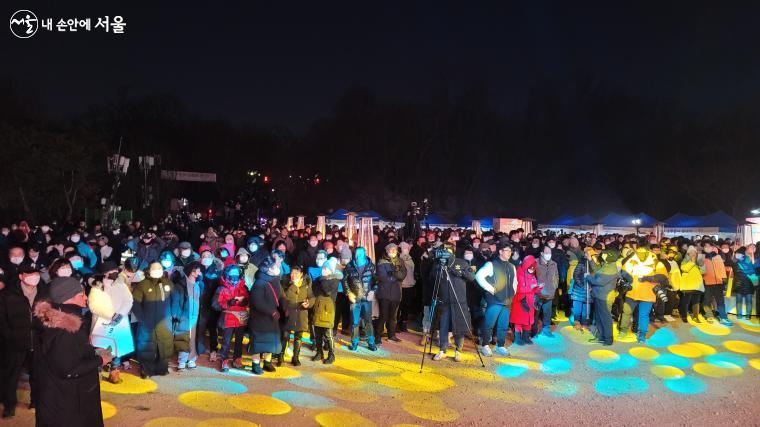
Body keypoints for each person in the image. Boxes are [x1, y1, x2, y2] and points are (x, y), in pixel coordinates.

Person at [33, 277, 112, 427]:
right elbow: (68, 369)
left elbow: (68, 353)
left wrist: (91, 351)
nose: (86, 297)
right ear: (69, 298)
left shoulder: (61, 318)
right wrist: (101, 360)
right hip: (68, 399)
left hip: (60, 394)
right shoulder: (65, 328)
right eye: (82, 295)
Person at [0, 265, 49, 418]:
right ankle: (9, 405)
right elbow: (2, 320)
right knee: (10, 375)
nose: (34, 277)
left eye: (36, 274)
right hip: (14, 342)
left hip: (38, 341)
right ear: (21, 276)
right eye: (29, 274)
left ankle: (36, 401)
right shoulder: (7, 294)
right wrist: (9, 337)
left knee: (38, 374)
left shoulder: (45, 292)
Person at [87, 262, 133, 384]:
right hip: (101, 322)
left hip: (119, 322)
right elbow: (93, 305)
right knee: (100, 349)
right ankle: (97, 374)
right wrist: (110, 315)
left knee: (117, 350)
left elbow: (128, 300)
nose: (114, 273)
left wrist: (120, 314)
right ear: (104, 273)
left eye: (115, 270)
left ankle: (114, 373)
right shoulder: (96, 287)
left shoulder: (120, 284)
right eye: (111, 271)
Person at [131, 262, 177, 377]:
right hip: (147, 322)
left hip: (164, 322)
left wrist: (174, 314)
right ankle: (146, 370)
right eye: (154, 268)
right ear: (149, 270)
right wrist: (141, 317)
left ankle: (162, 368)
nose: (157, 270)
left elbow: (175, 299)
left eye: (159, 268)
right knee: (146, 345)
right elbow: (135, 302)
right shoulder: (142, 285)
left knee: (165, 345)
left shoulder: (168, 283)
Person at [431, 243, 473, 362]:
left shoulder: (462, 262)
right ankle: (442, 350)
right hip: (444, 301)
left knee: (459, 326)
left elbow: (471, 277)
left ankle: (458, 350)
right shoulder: (438, 264)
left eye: (447, 250)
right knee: (443, 326)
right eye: (443, 250)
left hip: (459, 301)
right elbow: (432, 278)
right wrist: (439, 265)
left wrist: (456, 270)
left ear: (453, 251)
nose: (445, 252)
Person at [475, 242, 517, 356]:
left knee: (503, 325)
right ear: (500, 251)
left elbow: (515, 282)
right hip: (495, 300)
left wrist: (513, 292)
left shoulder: (512, 266)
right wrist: (489, 288)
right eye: (507, 251)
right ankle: (485, 345)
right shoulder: (491, 264)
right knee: (489, 323)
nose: (509, 253)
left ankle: (501, 345)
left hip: (507, 301)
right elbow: (478, 276)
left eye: (510, 251)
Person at [620, 246, 668, 343]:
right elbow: (623, 272)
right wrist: (626, 279)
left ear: (648, 252)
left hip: (647, 293)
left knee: (643, 315)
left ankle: (641, 334)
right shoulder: (632, 260)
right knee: (628, 312)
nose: (641, 254)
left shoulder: (656, 262)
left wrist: (648, 278)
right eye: (639, 252)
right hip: (633, 291)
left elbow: (663, 277)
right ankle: (624, 330)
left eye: (643, 252)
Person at [249, 255, 287, 374]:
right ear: (268, 268)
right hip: (260, 318)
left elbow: (281, 295)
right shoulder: (260, 282)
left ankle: (267, 362)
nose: (278, 267)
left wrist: (284, 306)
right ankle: (255, 364)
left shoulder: (275, 280)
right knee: (258, 341)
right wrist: (271, 311)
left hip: (272, 318)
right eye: (275, 266)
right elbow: (256, 301)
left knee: (270, 341)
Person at [587, 250, 629, 346]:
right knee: (599, 317)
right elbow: (598, 270)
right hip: (599, 295)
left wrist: (588, 277)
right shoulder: (608, 265)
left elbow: (599, 281)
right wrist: (590, 260)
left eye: (604, 255)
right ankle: (601, 336)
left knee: (605, 318)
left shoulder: (611, 269)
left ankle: (608, 339)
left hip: (604, 297)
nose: (602, 256)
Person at [214, 265, 249, 371]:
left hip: (241, 318)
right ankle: (224, 359)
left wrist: (244, 301)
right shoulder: (222, 288)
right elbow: (215, 304)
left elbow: (248, 299)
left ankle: (237, 359)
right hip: (228, 318)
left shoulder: (243, 287)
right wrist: (229, 303)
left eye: (236, 275)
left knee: (239, 341)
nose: (234, 277)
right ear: (227, 275)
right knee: (226, 341)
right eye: (232, 275)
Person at [171, 262, 204, 371]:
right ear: (192, 271)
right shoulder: (180, 285)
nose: (199, 272)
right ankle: (182, 360)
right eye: (198, 270)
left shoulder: (198, 285)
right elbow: (175, 302)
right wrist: (176, 316)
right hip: (183, 317)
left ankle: (191, 359)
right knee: (183, 338)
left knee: (193, 338)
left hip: (195, 316)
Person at [280, 265, 315, 366]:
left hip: (301, 314)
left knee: (298, 337)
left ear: (301, 274)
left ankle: (295, 357)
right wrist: (292, 285)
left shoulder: (306, 284)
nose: (293, 275)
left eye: (296, 273)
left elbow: (312, 297)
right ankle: (280, 356)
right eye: (292, 273)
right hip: (288, 313)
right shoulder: (286, 283)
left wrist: (309, 303)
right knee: (285, 336)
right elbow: (282, 297)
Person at [345, 246, 378, 351]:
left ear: (364, 253)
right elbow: (345, 281)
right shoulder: (349, 266)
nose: (358, 255)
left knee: (368, 321)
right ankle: (354, 342)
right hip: (355, 299)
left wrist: (373, 291)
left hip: (367, 299)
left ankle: (371, 342)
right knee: (354, 322)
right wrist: (349, 293)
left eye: (360, 253)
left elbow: (377, 281)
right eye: (357, 253)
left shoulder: (371, 266)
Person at [311, 257, 342, 364]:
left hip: (328, 310)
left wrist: (322, 279)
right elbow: (314, 292)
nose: (323, 270)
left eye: (326, 268)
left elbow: (327, 291)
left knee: (328, 334)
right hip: (318, 308)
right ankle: (319, 353)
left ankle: (331, 354)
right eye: (323, 268)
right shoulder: (318, 280)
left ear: (331, 270)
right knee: (318, 333)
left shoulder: (334, 280)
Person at [375, 243, 407, 343]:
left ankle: (391, 335)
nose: (393, 252)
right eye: (391, 250)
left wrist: (393, 274)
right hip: (384, 293)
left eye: (395, 250)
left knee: (393, 316)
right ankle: (377, 337)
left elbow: (403, 274)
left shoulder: (400, 261)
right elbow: (383, 277)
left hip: (396, 293)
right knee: (383, 316)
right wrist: (396, 276)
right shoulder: (381, 261)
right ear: (387, 250)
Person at [510, 255, 543, 345]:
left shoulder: (532, 275)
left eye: (533, 268)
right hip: (520, 301)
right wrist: (530, 288)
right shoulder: (518, 274)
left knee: (528, 321)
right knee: (519, 321)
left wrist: (538, 288)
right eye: (530, 268)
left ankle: (525, 337)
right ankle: (517, 338)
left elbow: (533, 288)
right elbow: (518, 289)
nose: (532, 270)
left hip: (530, 301)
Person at [701, 241, 732, 326]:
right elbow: (701, 271)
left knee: (720, 301)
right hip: (707, 282)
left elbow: (722, 268)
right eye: (705, 246)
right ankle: (709, 316)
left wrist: (723, 279)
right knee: (707, 300)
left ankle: (723, 317)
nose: (707, 248)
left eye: (709, 246)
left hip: (718, 282)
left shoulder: (718, 256)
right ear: (703, 248)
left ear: (712, 247)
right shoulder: (701, 257)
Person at [535, 246, 559, 337]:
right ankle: (534, 331)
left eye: (550, 253)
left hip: (550, 293)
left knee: (547, 313)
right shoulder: (536, 262)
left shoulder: (554, 264)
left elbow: (556, 275)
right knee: (535, 313)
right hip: (538, 294)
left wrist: (555, 285)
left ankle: (546, 329)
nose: (548, 255)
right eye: (546, 252)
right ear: (542, 253)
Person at [679, 246, 705, 323]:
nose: (693, 254)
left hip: (697, 285)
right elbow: (684, 269)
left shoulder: (698, 261)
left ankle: (695, 316)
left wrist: (701, 264)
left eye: (695, 252)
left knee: (696, 301)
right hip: (688, 285)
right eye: (691, 253)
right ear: (688, 254)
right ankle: (684, 316)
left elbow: (703, 272)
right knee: (686, 301)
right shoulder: (684, 261)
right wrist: (692, 262)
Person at [397, 241, 416, 332]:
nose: (406, 250)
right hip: (401, 285)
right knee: (399, 306)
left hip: (409, 285)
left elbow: (412, 269)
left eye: (407, 248)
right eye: (404, 248)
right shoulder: (398, 259)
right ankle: (396, 324)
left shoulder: (410, 258)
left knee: (406, 306)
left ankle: (403, 323)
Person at [733, 247, 756, 320]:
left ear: (742, 254)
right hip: (741, 283)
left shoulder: (747, 259)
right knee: (742, 300)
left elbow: (752, 270)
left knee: (746, 300)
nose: (737, 255)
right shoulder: (737, 261)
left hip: (746, 282)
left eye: (738, 253)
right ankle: (742, 315)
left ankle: (745, 315)